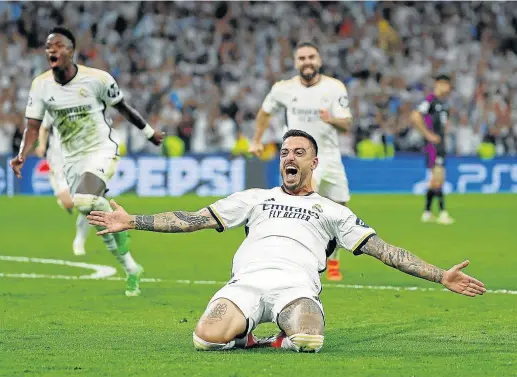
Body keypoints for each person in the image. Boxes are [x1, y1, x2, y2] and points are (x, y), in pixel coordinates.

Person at [88, 129, 486, 353]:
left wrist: (440, 276)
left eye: (298, 152)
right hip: (245, 283)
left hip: (295, 287)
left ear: (314, 163)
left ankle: (282, 336)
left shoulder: (333, 211)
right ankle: (245, 336)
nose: (288, 158)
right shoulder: (255, 197)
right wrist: (132, 221)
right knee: (203, 339)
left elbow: (385, 251)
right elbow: (193, 219)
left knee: (310, 340)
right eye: (283, 152)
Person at [10, 26, 164, 296]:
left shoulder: (97, 79)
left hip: (100, 149)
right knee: (91, 212)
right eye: (48, 46)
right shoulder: (41, 85)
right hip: (70, 159)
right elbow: (33, 125)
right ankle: (131, 268)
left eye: (57, 45)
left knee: (83, 201)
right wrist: (23, 154)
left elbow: (124, 108)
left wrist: (149, 133)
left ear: (71, 51)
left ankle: (121, 228)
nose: (51, 50)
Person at [249, 41, 353, 281]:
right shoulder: (283, 89)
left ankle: (333, 258)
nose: (307, 62)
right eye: (302, 58)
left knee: (340, 210)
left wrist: (331, 119)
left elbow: (346, 124)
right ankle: (302, 262)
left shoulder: (334, 87)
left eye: (311, 57)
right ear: (296, 63)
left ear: (319, 60)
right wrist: (256, 140)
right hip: (300, 158)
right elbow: (265, 112)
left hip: (329, 156)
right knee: (303, 206)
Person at [35, 112, 90, 256]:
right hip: (58, 162)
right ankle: (64, 201)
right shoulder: (52, 107)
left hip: (79, 161)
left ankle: (79, 240)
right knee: (70, 203)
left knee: (88, 203)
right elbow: (44, 128)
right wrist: (41, 145)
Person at [410, 75, 454, 225]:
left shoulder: (444, 104)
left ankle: (427, 213)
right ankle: (442, 213)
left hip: (440, 145)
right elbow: (415, 115)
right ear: (439, 84)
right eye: (446, 85)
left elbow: (445, 123)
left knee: (434, 181)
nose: (448, 88)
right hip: (433, 146)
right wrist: (428, 134)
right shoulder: (430, 100)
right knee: (438, 178)